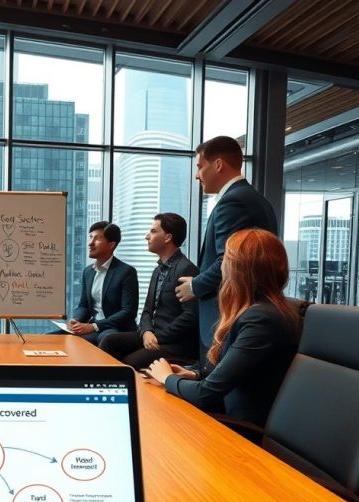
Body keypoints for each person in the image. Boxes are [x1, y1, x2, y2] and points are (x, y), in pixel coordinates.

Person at [148, 228, 301, 427]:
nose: (222, 269)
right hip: (227, 415)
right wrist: (195, 374)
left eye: (226, 260)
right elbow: (240, 373)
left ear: (240, 269)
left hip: (238, 431)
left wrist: (166, 378)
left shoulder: (260, 319)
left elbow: (205, 394)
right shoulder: (267, 310)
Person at [175, 136, 278, 362]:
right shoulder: (255, 199)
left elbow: (230, 261)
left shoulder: (233, 202)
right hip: (245, 313)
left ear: (218, 165)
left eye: (200, 167)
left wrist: (195, 285)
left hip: (228, 316)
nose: (196, 175)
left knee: (213, 390)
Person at [99, 213, 198, 369]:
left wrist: (156, 336)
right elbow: (146, 311)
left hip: (174, 344)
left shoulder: (187, 269)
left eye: (153, 231)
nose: (147, 236)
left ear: (168, 237)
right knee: (109, 341)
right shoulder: (158, 270)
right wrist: (146, 331)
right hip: (152, 336)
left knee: (131, 362)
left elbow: (190, 316)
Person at [65, 221, 139, 344]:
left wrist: (94, 326)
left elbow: (128, 312)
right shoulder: (88, 272)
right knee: (52, 338)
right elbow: (83, 305)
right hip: (92, 327)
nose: (90, 243)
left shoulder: (126, 272)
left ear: (111, 244)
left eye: (97, 239)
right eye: (90, 237)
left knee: (101, 340)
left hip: (114, 329)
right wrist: (75, 319)